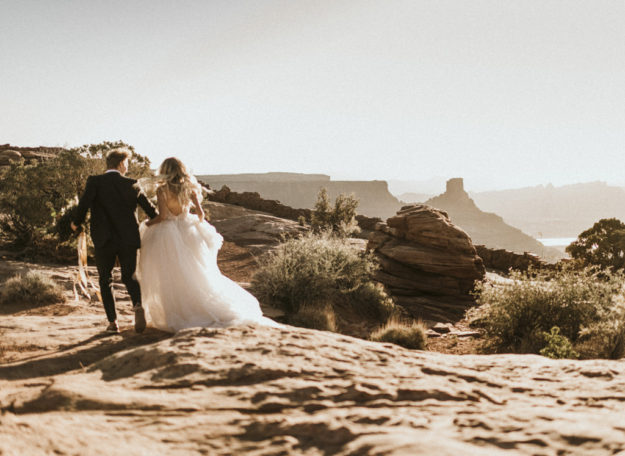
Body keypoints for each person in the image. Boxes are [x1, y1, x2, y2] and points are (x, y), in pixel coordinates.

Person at [135, 157, 279, 332]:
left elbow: (163, 217)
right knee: (196, 271)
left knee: (170, 274)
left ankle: (174, 312)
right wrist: (193, 224)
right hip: (188, 231)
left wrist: (146, 225)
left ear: (164, 170)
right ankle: (199, 307)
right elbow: (201, 214)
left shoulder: (162, 190)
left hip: (168, 233)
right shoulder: (190, 189)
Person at [72, 148, 158, 334]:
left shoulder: (94, 181)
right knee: (130, 276)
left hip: (103, 239)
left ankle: (113, 323)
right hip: (128, 238)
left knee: (105, 280)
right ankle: (137, 305)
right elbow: (151, 211)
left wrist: (75, 223)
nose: (127, 167)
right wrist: (149, 223)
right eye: (127, 163)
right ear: (120, 164)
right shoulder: (132, 184)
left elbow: (84, 204)